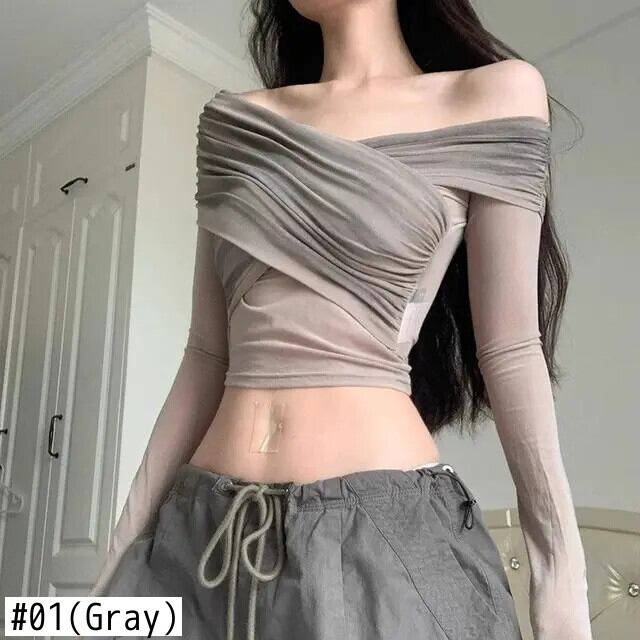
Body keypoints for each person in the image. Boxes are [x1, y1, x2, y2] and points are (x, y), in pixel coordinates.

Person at [90, 1, 592, 639]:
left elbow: (511, 349)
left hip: (377, 546)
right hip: (199, 538)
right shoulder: (233, 122)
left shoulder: (494, 94)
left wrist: (560, 580)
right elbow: (206, 354)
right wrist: (119, 555)